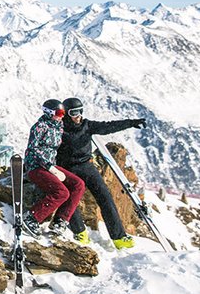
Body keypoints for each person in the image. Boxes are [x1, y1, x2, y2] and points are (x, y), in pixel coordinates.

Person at [57, 97, 145, 249]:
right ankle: (80, 232)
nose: (78, 115)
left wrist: (131, 123)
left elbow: (109, 127)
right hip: (67, 168)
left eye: (80, 111)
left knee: (105, 197)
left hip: (86, 166)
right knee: (70, 199)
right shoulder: (58, 129)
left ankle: (119, 237)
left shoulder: (87, 125)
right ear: (65, 114)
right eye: (74, 112)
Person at [21, 99, 86, 237]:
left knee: (78, 184)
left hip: (51, 166)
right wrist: (50, 167)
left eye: (63, 113)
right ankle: (31, 217)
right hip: (36, 167)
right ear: (49, 112)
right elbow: (32, 149)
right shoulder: (40, 126)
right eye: (59, 113)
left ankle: (61, 220)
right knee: (61, 192)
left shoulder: (59, 126)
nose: (62, 115)